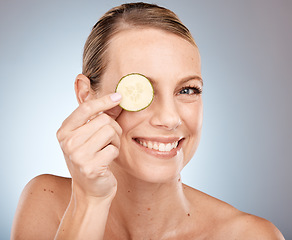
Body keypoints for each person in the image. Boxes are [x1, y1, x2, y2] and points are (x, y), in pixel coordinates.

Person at [11, 2, 285, 240]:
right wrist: (90, 202)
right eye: (140, 90)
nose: (169, 118)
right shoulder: (45, 203)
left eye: (187, 90)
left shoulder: (251, 236)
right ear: (86, 95)